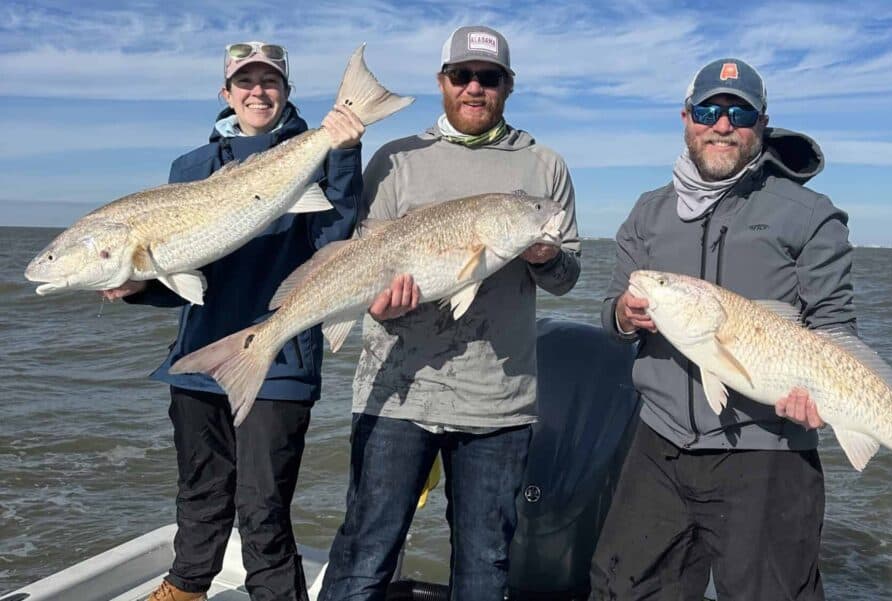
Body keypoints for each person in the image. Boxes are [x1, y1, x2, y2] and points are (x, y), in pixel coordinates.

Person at [316, 26, 580, 601]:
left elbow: (566, 278)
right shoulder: (395, 160)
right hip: (395, 392)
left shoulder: (545, 168)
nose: (474, 88)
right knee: (363, 555)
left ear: (508, 87)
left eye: (489, 78)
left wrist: (544, 254)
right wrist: (379, 306)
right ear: (442, 83)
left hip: (497, 402)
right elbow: (361, 260)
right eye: (461, 76)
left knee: (485, 566)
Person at [102, 41, 366, 601]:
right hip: (197, 361)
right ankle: (186, 586)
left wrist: (343, 154)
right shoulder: (190, 168)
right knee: (199, 491)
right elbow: (184, 280)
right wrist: (134, 287)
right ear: (226, 94)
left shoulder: (312, 150)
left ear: (286, 93)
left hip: (278, 362)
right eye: (245, 82)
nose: (257, 92)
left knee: (262, 506)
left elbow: (334, 243)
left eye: (269, 82)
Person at [589, 58, 856, 601]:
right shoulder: (647, 213)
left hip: (767, 448)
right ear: (686, 118)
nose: (722, 124)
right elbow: (611, 310)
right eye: (708, 110)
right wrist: (621, 313)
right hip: (659, 442)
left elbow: (834, 329)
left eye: (739, 113)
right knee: (622, 589)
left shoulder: (809, 215)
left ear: (761, 125)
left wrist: (823, 402)